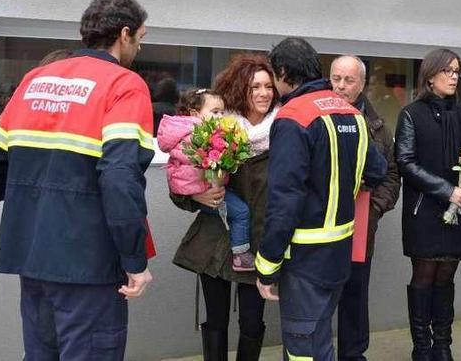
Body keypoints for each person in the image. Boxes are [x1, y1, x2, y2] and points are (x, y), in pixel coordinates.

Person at [0, 0, 155, 360]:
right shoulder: (124, 84)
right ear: (125, 33)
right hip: (90, 265)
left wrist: (22, 196)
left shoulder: (37, 79)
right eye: (140, 39)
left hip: (31, 257)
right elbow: (119, 177)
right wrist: (135, 260)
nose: (138, 48)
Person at [254, 38, 386, 361]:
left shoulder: (293, 116)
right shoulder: (350, 112)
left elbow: (284, 201)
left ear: (283, 72)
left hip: (304, 261)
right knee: (319, 342)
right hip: (340, 255)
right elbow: (378, 169)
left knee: (303, 351)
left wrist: (266, 265)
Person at [171, 53, 279, 361]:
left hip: (258, 244)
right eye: (254, 86)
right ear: (240, 90)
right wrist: (195, 197)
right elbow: (181, 176)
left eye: (268, 86)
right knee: (217, 319)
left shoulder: (284, 130)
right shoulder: (217, 126)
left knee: (252, 321)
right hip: (215, 244)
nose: (263, 93)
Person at [395, 48, 461, 361]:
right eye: (447, 71)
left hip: (459, 211)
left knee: (447, 275)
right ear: (429, 76)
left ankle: (442, 345)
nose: (454, 76)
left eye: (457, 71)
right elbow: (405, 161)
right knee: (425, 275)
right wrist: (446, 190)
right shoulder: (411, 114)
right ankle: (422, 347)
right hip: (424, 210)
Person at [330, 55, 402, 361]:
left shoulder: (378, 127)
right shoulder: (316, 117)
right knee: (317, 298)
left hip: (361, 225)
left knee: (355, 296)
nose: (341, 87)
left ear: (362, 84)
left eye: (349, 80)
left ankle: (353, 355)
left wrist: (372, 209)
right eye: (336, 79)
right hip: (318, 226)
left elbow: (392, 173)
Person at [157, 88, 257, 272]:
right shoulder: (196, 135)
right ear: (195, 114)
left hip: (201, 189)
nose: (220, 117)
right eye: (215, 112)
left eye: (222, 112)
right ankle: (241, 255)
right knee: (241, 212)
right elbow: (197, 161)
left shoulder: (186, 131)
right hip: (204, 192)